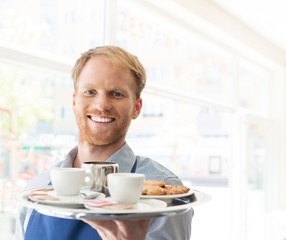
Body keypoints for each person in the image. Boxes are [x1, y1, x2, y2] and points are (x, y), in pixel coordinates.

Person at [16, 45, 194, 240]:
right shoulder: (35, 190)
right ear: (74, 101)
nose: (102, 105)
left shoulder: (165, 195)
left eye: (116, 94)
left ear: (136, 107)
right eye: (90, 91)